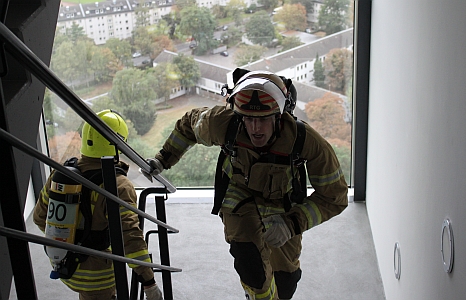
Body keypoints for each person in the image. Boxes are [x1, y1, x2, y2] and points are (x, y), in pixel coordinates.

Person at [144, 69, 348, 299]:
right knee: (251, 266)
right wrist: (163, 159)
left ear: (279, 117)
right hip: (239, 198)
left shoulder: (305, 141)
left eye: (262, 119)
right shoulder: (223, 123)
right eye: (248, 119)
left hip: (284, 206)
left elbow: (335, 197)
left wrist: (292, 224)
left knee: (286, 280)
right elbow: (188, 126)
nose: (255, 129)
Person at [33, 109, 163, 300]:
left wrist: (69, 241)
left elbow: (39, 217)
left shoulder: (61, 173)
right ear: (118, 144)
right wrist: (149, 282)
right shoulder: (119, 185)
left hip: (65, 265)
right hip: (98, 276)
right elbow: (130, 237)